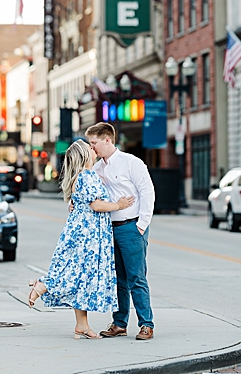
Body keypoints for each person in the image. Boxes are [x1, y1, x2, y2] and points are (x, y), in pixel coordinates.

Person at [27, 140, 135, 339]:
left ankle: (81, 325)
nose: (93, 149)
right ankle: (44, 285)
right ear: (84, 156)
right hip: (89, 235)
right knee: (80, 275)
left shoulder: (80, 177)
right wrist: (119, 205)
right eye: (89, 148)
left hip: (81, 232)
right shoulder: (88, 176)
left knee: (80, 277)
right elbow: (96, 205)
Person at [86, 121, 156, 341]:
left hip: (131, 226)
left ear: (107, 140)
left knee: (137, 278)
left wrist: (141, 225)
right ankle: (119, 323)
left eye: (94, 143)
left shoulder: (131, 163)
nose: (92, 148)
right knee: (118, 280)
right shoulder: (96, 169)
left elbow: (147, 192)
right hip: (109, 229)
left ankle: (146, 324)